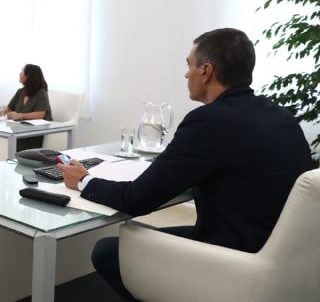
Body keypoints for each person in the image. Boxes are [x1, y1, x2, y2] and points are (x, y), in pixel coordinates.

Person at [58, 28, 314, 301]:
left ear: (206, 71)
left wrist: (83, 180)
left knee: (108, 251)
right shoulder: (281, 116)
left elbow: (137, 200)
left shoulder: (209, 121)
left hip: (237, 260)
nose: (186, 74)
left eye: (189, 65)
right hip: (285, 258)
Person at [0, 64, 53, 151]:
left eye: (22, 72)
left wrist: (20, 116)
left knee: (9, 147)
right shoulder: (20, 92)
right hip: (20, 131)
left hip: (35, 134)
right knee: (0, 143)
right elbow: (9, 108)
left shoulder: (41, 92)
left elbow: (40, 114)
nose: (19, 74)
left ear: (29, 76)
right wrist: (1, 112)